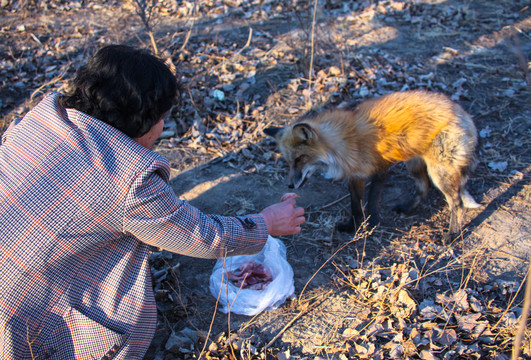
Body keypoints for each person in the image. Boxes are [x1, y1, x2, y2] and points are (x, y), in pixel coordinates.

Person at [0, 44, 305, 360]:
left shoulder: (37, 120)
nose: (162, 127)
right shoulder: (129, 178)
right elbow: (200, 235)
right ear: (141, 119)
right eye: (161, 117)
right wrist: (267, 222)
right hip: (30, 325)